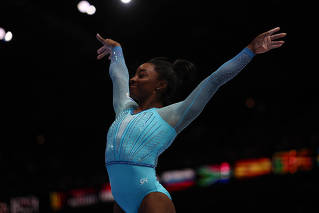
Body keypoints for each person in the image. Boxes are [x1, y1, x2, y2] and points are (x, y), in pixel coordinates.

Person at [96, 27, 286, 213]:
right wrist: (117, 50)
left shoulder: (173, 115)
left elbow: (214, 81)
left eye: (142, 75)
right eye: (135, 74)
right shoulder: (124, 109)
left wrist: (250, 50)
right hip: (120, 201)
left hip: (150, 196)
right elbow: (119, 76)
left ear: (160, 85)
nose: (133, 79)